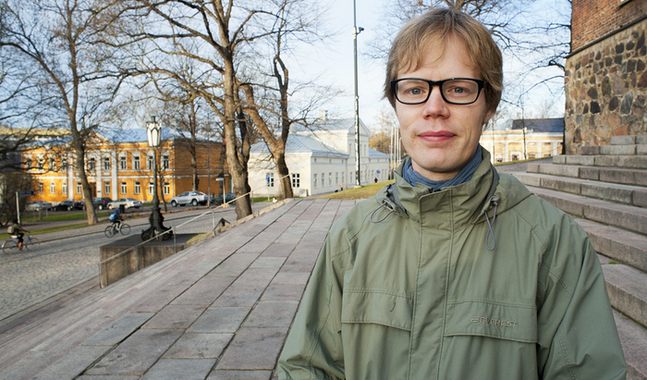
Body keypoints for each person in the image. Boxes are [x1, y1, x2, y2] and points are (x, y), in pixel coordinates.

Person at [278, 8, 626, 380]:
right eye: (414, 89)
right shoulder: (351, 238)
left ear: (489, 105)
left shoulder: (554, 244)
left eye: (458, 89)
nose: (434, 109)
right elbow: (308, 367)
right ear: (395, 104)